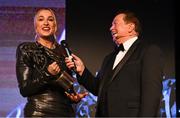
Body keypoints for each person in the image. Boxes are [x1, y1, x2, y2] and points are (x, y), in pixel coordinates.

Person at [65, 10, 165, 117]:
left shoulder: (148, 51)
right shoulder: (109, 58)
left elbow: (151, 95)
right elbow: (98, 88)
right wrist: (82, 71)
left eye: (115, 24)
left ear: (130, 27)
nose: (111, 28)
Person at [16, 8, 87, 117]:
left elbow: (65, 87)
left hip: (65, 112)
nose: (46, 23)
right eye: (41, 19)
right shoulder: (26, 49)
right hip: (39, 112)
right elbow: (25, 89)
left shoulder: (64, 51)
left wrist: (73, 97)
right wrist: (47, 74)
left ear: (55, 26)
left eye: (50, 19)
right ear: (35, 26)